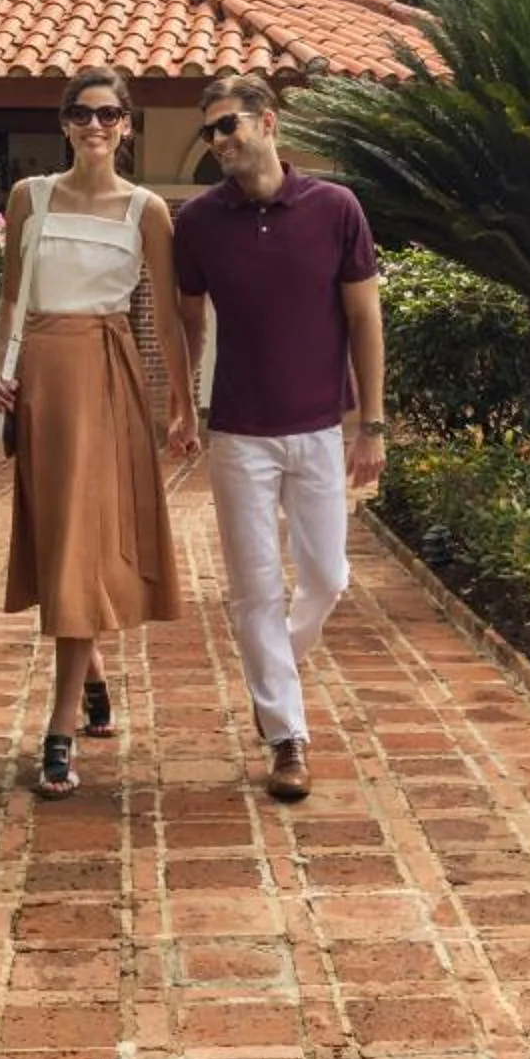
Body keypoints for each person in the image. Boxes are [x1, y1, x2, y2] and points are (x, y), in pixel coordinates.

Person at [0, 67, 199, 798]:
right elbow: (12, 298)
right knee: (58, 537)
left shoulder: (147, 211)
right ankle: (95, 674)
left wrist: (184, 406)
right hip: (41, 380)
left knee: (81, 538)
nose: (95, 126)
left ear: (128, 125)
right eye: (82, 114)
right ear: (65, 124)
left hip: (108, 378)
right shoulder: (29, 197)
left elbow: (165, 315)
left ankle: (60, 727)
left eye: (109, 115)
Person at [172, 72, 387, 802]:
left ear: (268, 122)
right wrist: (182, 398)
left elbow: (365, 321)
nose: (220, 141)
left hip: (320, 426)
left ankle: (275, 675)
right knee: (255, 590)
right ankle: (286, 736)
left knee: (328, 577)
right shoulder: (198, 222)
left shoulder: (335, 208)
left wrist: (374, 426)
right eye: (210, 132)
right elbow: (189, 319)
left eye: (229, 125)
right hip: (238, 432)